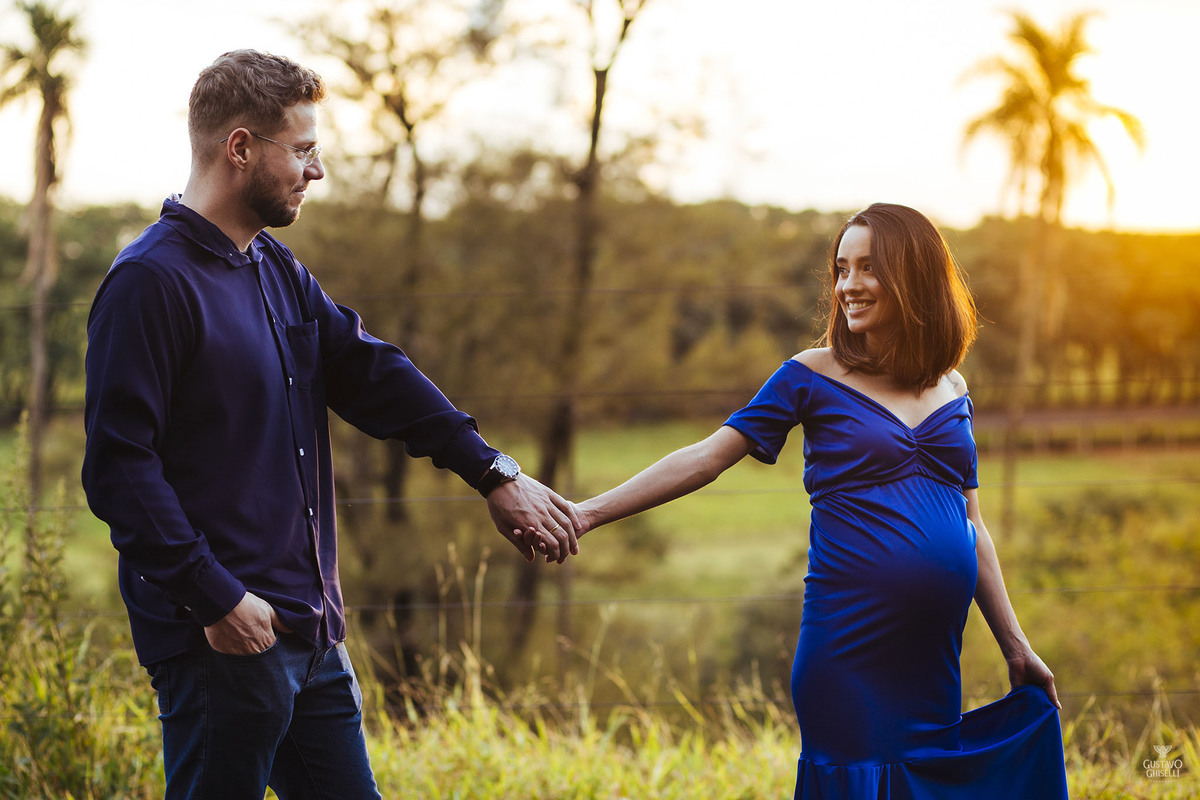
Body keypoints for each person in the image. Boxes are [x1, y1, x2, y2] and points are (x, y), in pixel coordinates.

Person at [81, 50, 578, 800]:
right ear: (241, 147)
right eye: (304, 151)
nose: (316, 173)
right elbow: (119, 470)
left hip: (311, 634)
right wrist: (213, 595)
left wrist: (492, 471)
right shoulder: (150, 284)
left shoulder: (275, 269)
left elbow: (372, 372)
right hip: (222, 637)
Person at [569, 203, 1069, 798]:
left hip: (931, 660)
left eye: (866, 269)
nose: (848, 286)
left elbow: (972, 526)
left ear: (914, 277)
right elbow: (706, 457)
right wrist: (587, 512)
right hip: (849, 649)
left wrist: (1016, 646)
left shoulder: (952, 386)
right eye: (841, 269)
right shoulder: (811, 376)